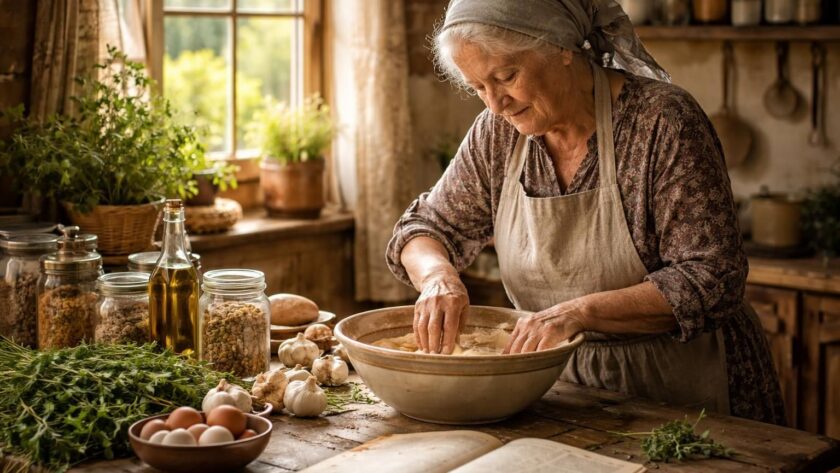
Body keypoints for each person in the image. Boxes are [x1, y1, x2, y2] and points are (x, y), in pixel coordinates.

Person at [385, 0, 786, 425]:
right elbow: (425, 227)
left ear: (561, 48)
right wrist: (436, 278)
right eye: (478, 87)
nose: (496, 104)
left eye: (506, 77)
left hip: (681, 384)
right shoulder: (497, 133)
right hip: (560, 386)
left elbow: (712, 276)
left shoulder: (662, 122)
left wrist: (577, 313)